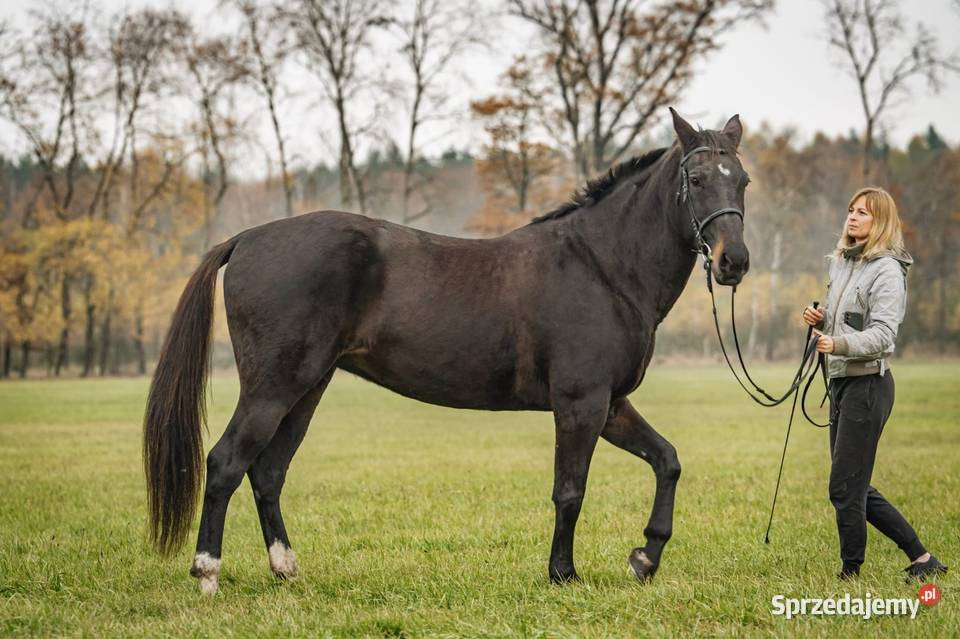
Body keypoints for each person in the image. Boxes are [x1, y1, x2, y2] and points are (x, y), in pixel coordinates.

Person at [801, 186, 948, 581]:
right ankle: (922, 560)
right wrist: (820, 318)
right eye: (850, 210)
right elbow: (848, 317)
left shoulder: (887, 270)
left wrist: (839, 343)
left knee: (844, 488)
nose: (852, 217)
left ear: (879, 221)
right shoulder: (843, 262)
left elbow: (884, 334)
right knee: (853, 485)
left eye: (862, 212)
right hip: (844, 383)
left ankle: (851, 572)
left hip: (869, 385)